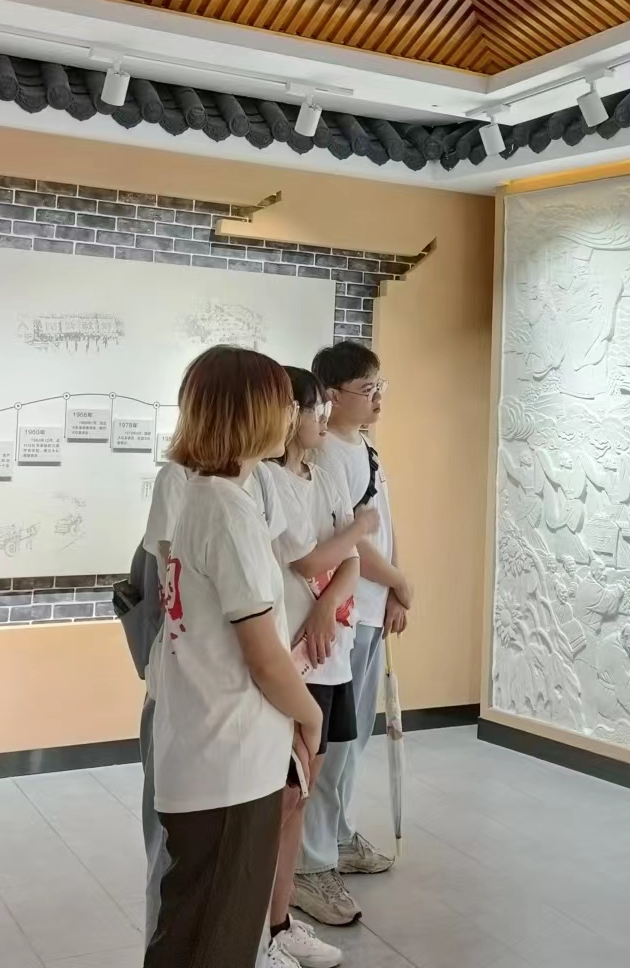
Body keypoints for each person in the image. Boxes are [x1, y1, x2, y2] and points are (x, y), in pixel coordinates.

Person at [146, 347, 323, 968]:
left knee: (194, 930)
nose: (292, 415)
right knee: (213, 940)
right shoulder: (224, 508)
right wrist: (310, 716)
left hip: (209, 748)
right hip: (229, 760)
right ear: (251, 413)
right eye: (283, 403)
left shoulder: (207, 496)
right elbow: (265, 657)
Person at [295, 342, 412, 927]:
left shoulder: (364, 447)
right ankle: (311, 860)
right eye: (367, 390)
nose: (377, 400)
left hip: (369, 608)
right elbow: (352, 541)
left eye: (379, 388)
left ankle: (337, 836)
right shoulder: (326, 456)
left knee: (355, 738)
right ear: (331, 395)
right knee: (334, 743)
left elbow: (385, 528)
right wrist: (399, 582)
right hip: (341, 615)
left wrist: (394, 588)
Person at [263, 367, 373, 968]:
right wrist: (359, 525)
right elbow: (307, 560)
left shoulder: (322, 474)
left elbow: (347, 562)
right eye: (313, 409)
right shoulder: (265, 481)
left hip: (329, 656)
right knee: (281, 796)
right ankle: (260, 927)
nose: (321, 418)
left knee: (303, 794)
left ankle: (280, 922)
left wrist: (329, 605)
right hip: (289, 659)